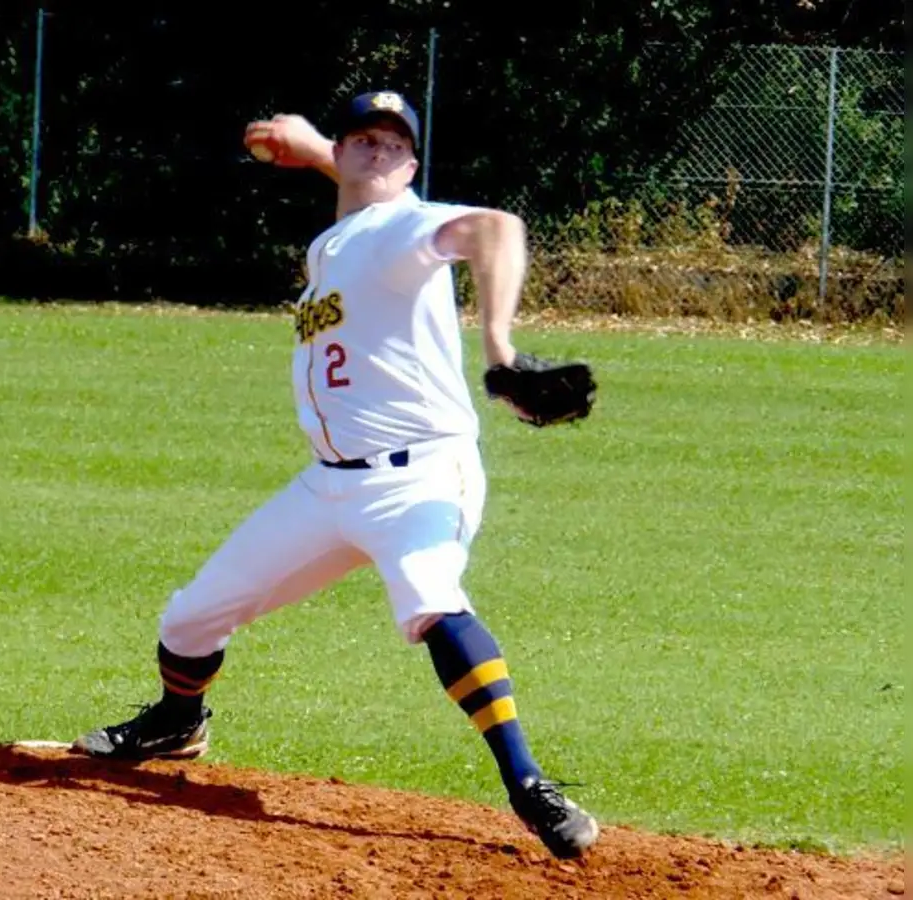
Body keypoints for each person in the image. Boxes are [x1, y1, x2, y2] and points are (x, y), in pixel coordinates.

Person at [72, 91, 601, 860]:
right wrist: (317, 147)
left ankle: (529, 786)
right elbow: (356, 184)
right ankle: (179, 722)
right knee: (189, 620)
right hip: (327, 486)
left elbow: (497, 227)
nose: (375, 148)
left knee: (430, 598)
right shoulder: (340, 242)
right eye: (362, 137)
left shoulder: (403, 228)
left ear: (413, 165)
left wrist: (500, 351)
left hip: (420, 474)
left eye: (393, 142)